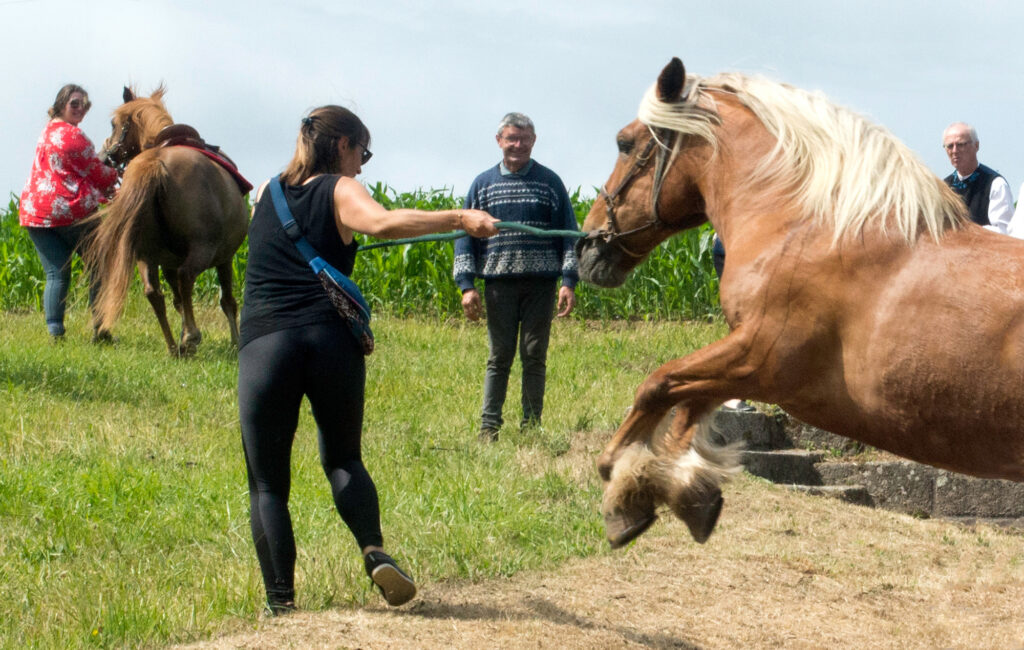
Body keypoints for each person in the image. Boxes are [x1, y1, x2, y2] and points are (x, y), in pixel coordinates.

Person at [239, 105, 498, 615]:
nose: (362, 165)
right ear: (342, 145)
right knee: (342, 458)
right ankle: (373, 550)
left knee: (267, 484)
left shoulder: (266, 194)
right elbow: (380, 223)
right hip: (329, 341)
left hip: (264, 345)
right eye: (362, 152)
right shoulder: (339, 189)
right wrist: (460, 219)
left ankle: (281, 603)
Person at [454, 112, 579, 442]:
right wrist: (466, 286)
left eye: (524, 139)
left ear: (533, 141)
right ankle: (489, 428)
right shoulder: (482, 185)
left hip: (541, 285)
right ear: (499, 141)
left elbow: (569, 235)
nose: (518, 145)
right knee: (499, 357)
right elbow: (464, 236)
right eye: (511, 138)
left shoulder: (550, 183)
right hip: (498, 285)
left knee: (534, 355)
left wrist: (569, 281)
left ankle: (531, 427)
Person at [19, 84, 119, 339]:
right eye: (74, 103)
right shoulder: (73, 136)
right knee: (100, 264)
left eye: (84, 105)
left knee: (56, 273)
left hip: (35, 214)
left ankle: (55, 333)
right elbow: (98, 173)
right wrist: (117, 176)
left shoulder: (47, 132)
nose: (80, 108)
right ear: (61, 104)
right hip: (69, 212)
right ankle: (101, 330)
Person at [941, 122, 1013, 233]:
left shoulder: (995, 184)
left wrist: (967, 234)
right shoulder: (943, 188)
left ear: (976, 146)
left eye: (960, 144)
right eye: (950, 146)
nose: (955, 151)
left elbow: (1004, 231)